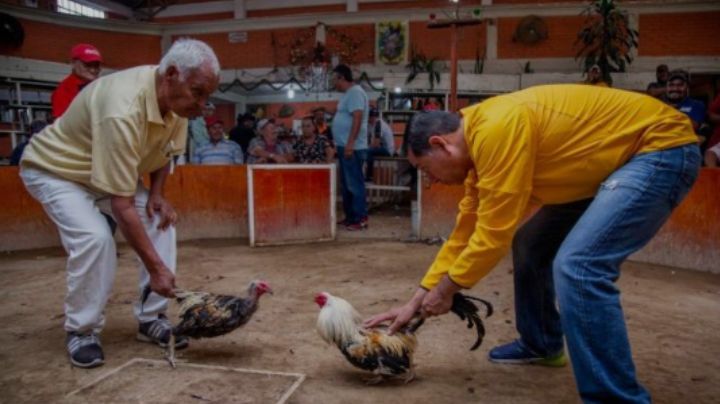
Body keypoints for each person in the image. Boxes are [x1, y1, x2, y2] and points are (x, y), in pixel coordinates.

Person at [365, 84, 700, 403]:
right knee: (531, 244)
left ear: (440, 144)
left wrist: (448, 289)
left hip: (657, 149)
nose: (431, 179)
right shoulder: (479, 154)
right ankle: (542, 343)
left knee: (579, 266)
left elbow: (492, 234)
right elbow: (464, 233)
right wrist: (418, 298)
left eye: (425, 168)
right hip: (603, 170)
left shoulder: (496, 129)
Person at [19, 39, 220, 369]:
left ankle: (151, 317)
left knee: (159, 219)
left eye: (207, 95)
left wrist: (157, 194)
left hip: (101, 174)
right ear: (171, 74)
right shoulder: (122, 107)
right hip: (57, 170)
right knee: (95, 238)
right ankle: (81, 330)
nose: (202, 104)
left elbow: (163, 152)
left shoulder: (179, 103)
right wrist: (157, 269)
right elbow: (122, 206)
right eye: (198, 92)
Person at [332, 64, 369, 231]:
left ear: (341, 77)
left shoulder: (355, 92)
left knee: (354, 184)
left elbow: (357, 118)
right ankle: (350, 217)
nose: (334, 83)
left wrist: (350, 144)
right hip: (344, 146)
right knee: (347, 185)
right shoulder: (349, 94)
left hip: (352, 147)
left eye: (335, 79)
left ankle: (360, 218)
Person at [51, 43, 102, 119]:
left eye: (96, 65)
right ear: (73, 63)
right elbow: (62, 125)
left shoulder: (101, 85)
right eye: (87, 65)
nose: (93, 70)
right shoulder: (64, 90)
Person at [665, 69, 706, 136]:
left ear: (687, 87)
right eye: (671, 85)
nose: (675, 89)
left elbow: (693, 126)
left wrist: (672, 111)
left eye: (680, 85)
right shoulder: (659, 105)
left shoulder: (697, 104)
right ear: (666, 87)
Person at [365, 108, 395, 182]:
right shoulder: (370, 125)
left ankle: (369, 176)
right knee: (364, 151)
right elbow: (367, 140)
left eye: (371, 117)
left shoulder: (379, 124)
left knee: (368, 151)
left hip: (388, 150)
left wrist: (367, 147)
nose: (369, 119)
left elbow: (376, 144)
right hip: (381, 147)